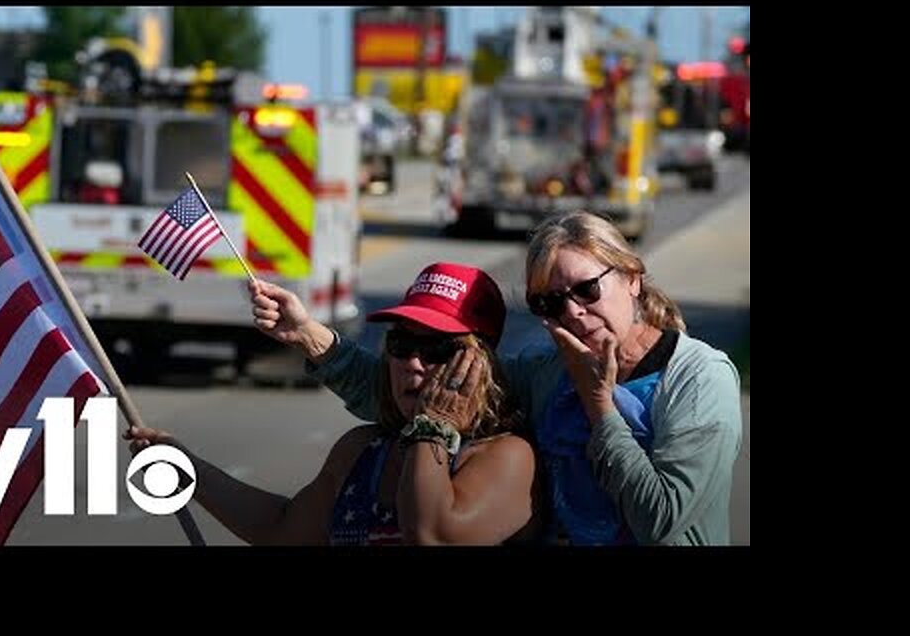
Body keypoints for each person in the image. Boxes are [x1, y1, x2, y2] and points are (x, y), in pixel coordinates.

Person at [252, 212, 742, 546]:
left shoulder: (698, 379)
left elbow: (661, 522)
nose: (573, 311)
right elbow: (420, 386)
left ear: (632, 278)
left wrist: (600, 408)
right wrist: (308, 335)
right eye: (550, 303)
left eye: (588, 289)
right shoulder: (549, 372)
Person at [127, 263, 538, 545]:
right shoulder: (362, 450)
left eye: (438, 349)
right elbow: (281, 530)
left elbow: (431, 536)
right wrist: (187, 469)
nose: (413, 362)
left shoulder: (507, 456)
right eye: (401, 344)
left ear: (479, 364)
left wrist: (434, 426)